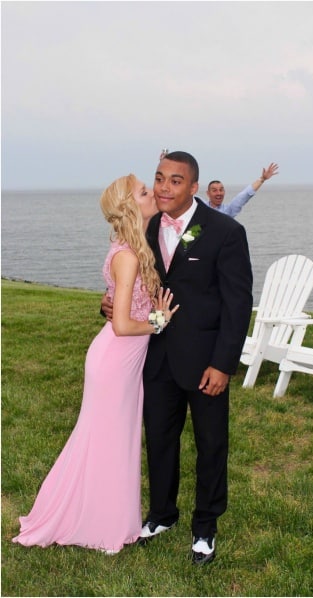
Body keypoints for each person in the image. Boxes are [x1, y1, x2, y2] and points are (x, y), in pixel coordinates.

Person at [13, 174, 178, 555]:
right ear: (131, 207)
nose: (152, 193)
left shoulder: (130, 247)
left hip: (122, 359)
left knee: (111, 439)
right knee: (108, 440)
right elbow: (121, 325)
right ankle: (99, 523)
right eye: (143, 192)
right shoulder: (128, 256)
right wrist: (160, 321)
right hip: (116, 360)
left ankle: (105, 516)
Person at [102, 151, 253, 565]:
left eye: (175, 180)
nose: (164, 188)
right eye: (159, 178)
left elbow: (238, 304)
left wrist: (223, 364)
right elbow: (136, 287)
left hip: (206, 362)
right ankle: (162, 514)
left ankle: (205, 527)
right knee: (160, 439)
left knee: (211, 444)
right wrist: (110, 304)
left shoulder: (225, 231)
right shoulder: (146, 226)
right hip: (155, 356)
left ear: (193, 186)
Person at [200, 162, 279, 217]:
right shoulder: (200, 206)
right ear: (208, 193)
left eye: (221, 190)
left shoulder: (228, 211)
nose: (219, 193)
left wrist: (262, 179)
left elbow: (244, 195)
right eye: (214, 190)